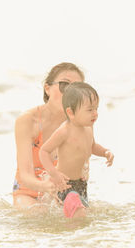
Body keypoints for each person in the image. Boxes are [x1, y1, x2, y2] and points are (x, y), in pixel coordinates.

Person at [13, 62, 85, 210]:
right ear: (47, 89)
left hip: (62, 191)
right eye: (65, 85)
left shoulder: (79, 122)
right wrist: (45, 186)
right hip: (28, 192)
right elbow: (26, 175)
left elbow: (82, 170)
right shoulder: (27, 121)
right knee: (40, 217)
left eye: (77, 88)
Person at [39, 82, 114, 218]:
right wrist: (54, 174)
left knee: (83, 213)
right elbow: (43, 151)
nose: (95, 114)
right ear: (71, 112)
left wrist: (105, 152)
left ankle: (75, 235)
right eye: (90, 110)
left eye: (96, 108)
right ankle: (72, 234)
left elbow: (92, 146)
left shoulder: (88, 127)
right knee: (79, 214)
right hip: (65, 184)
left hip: (81, 184)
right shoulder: (64, 131)